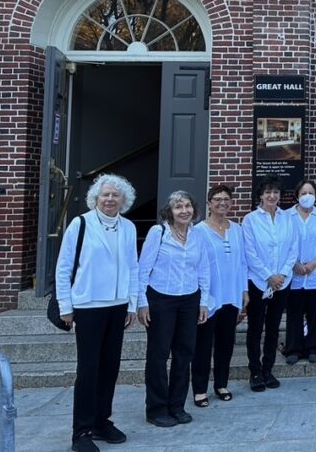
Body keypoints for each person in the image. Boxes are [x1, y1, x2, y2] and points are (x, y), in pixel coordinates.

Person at [55, 174, 139, 452]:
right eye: (106, 195)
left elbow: (133, 267)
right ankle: (81, 431)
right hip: (88, 306)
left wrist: (131, 304)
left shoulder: (127, 227)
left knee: (110, 368)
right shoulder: (80, 224)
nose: (111, 199)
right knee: (89, 369)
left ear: (123, 200)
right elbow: (63, 267)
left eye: (116, 195)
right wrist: (66, 306)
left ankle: (102, 421)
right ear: (96, 198)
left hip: (117, 307)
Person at [138, 190, 210, 428]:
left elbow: (204, 269)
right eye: (178, 207)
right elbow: (143, 270)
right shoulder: (158, 233)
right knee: (158, 355)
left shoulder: (198, 235)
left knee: (184, 354)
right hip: (161, 300)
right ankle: (157, 408)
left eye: (187, 206)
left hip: (189, 300)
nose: (184, 211)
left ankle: (177, 406)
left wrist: (204, 301)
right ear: (170, 212)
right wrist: (142, 302)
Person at [191, 184, 248, 408]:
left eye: (226, 199)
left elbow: (242, 263)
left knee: (226, 342)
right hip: (209, 298)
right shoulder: (198, 231)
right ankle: (199, 389)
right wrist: (200, 298)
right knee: (203, 345)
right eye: (217, 199)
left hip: (231, 295)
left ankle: (222, 384)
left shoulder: (237, 229)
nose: (222, 203)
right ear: (209, 203)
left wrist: (244, 291)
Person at [242, 178, 298, 391]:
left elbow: (293, 248)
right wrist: (268, 276)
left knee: (273, 328)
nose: (272, 196)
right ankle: (255, 371)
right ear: (260, 195)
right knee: (255, 328)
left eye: (275, 192)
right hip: (259, 282)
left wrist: (282, 274)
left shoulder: (287, 219)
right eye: (267, 192)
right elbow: (250, 252)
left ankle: (268, 369)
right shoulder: (250, 220)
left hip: (282, 282)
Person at [285, 180, 316, 365]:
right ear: (297, 195)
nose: (307, 196)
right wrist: (295, 264)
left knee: (315, 312)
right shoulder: (286, 216)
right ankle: (294, 349)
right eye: (303, 193)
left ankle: (314, 348)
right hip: (293, 272)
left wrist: (313, 264)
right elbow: (284, 242)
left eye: (310, 193)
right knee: (294, 313)